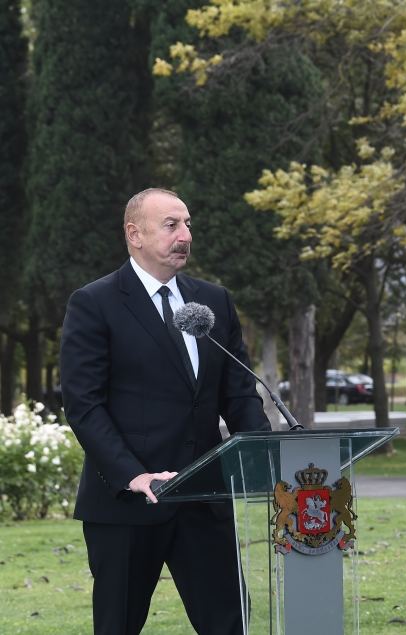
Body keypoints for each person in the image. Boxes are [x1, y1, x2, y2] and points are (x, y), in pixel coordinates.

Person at [60, 188, 271, 634]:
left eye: (188, 224)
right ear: (134, 234)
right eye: (171, 225)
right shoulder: (95, 303)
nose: (185, 236)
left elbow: (238, 393)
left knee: (231, 624)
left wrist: (263, 455)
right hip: (128, 503)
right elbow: (84, 404)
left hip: (204, 497)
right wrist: (132, 474)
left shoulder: (213, 300)